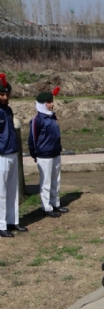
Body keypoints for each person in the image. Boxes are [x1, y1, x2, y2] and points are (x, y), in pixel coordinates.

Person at [28, 87, 68, 218]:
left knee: (56, 179)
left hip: (55, 152)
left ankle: (55, 203)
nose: (52, 104)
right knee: (46, 182)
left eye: (52, 101)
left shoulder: (52, 117)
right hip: (44, 155)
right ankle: (46, 206)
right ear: (42, 104)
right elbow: (32, 138)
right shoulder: (37, 120)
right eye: (48, 102)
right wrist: (35, 153)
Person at [0, 73, 27, 237]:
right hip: (1, 154)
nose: (4, 97)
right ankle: (1, 224)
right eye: (1, 94)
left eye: (7, 94)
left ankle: (12, 220)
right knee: (1, 191)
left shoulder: (8, 110)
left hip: (12, 152)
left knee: (12, 188)